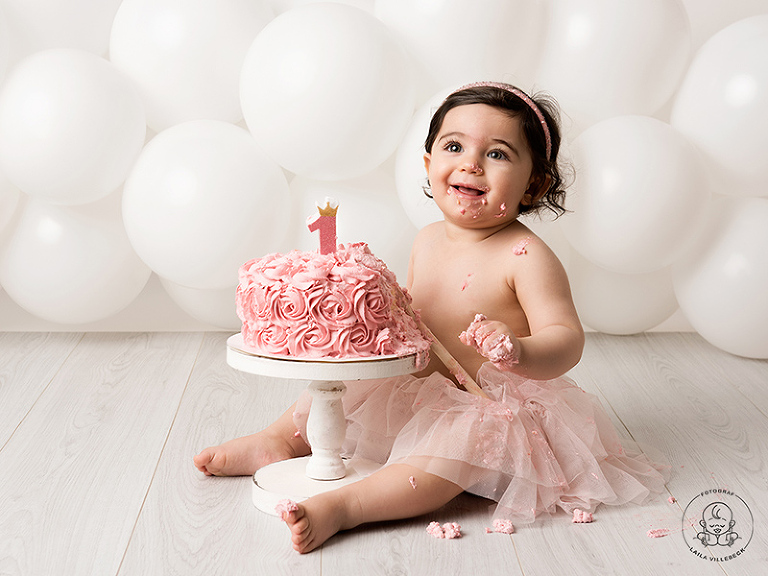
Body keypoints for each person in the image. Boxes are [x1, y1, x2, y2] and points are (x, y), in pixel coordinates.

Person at [194, 82, 668, 553]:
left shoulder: (526, 256)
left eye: (498, 154)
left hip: (485, 405)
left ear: (535, 184)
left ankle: (347, 506)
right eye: (454, 146)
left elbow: (567, 338)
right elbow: (413, 314)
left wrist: (518, 350)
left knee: (438, 463)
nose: (471, 163)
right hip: (417, 384)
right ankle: (277, 440)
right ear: (428, 165)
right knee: (337, 389)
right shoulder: (426, 239)